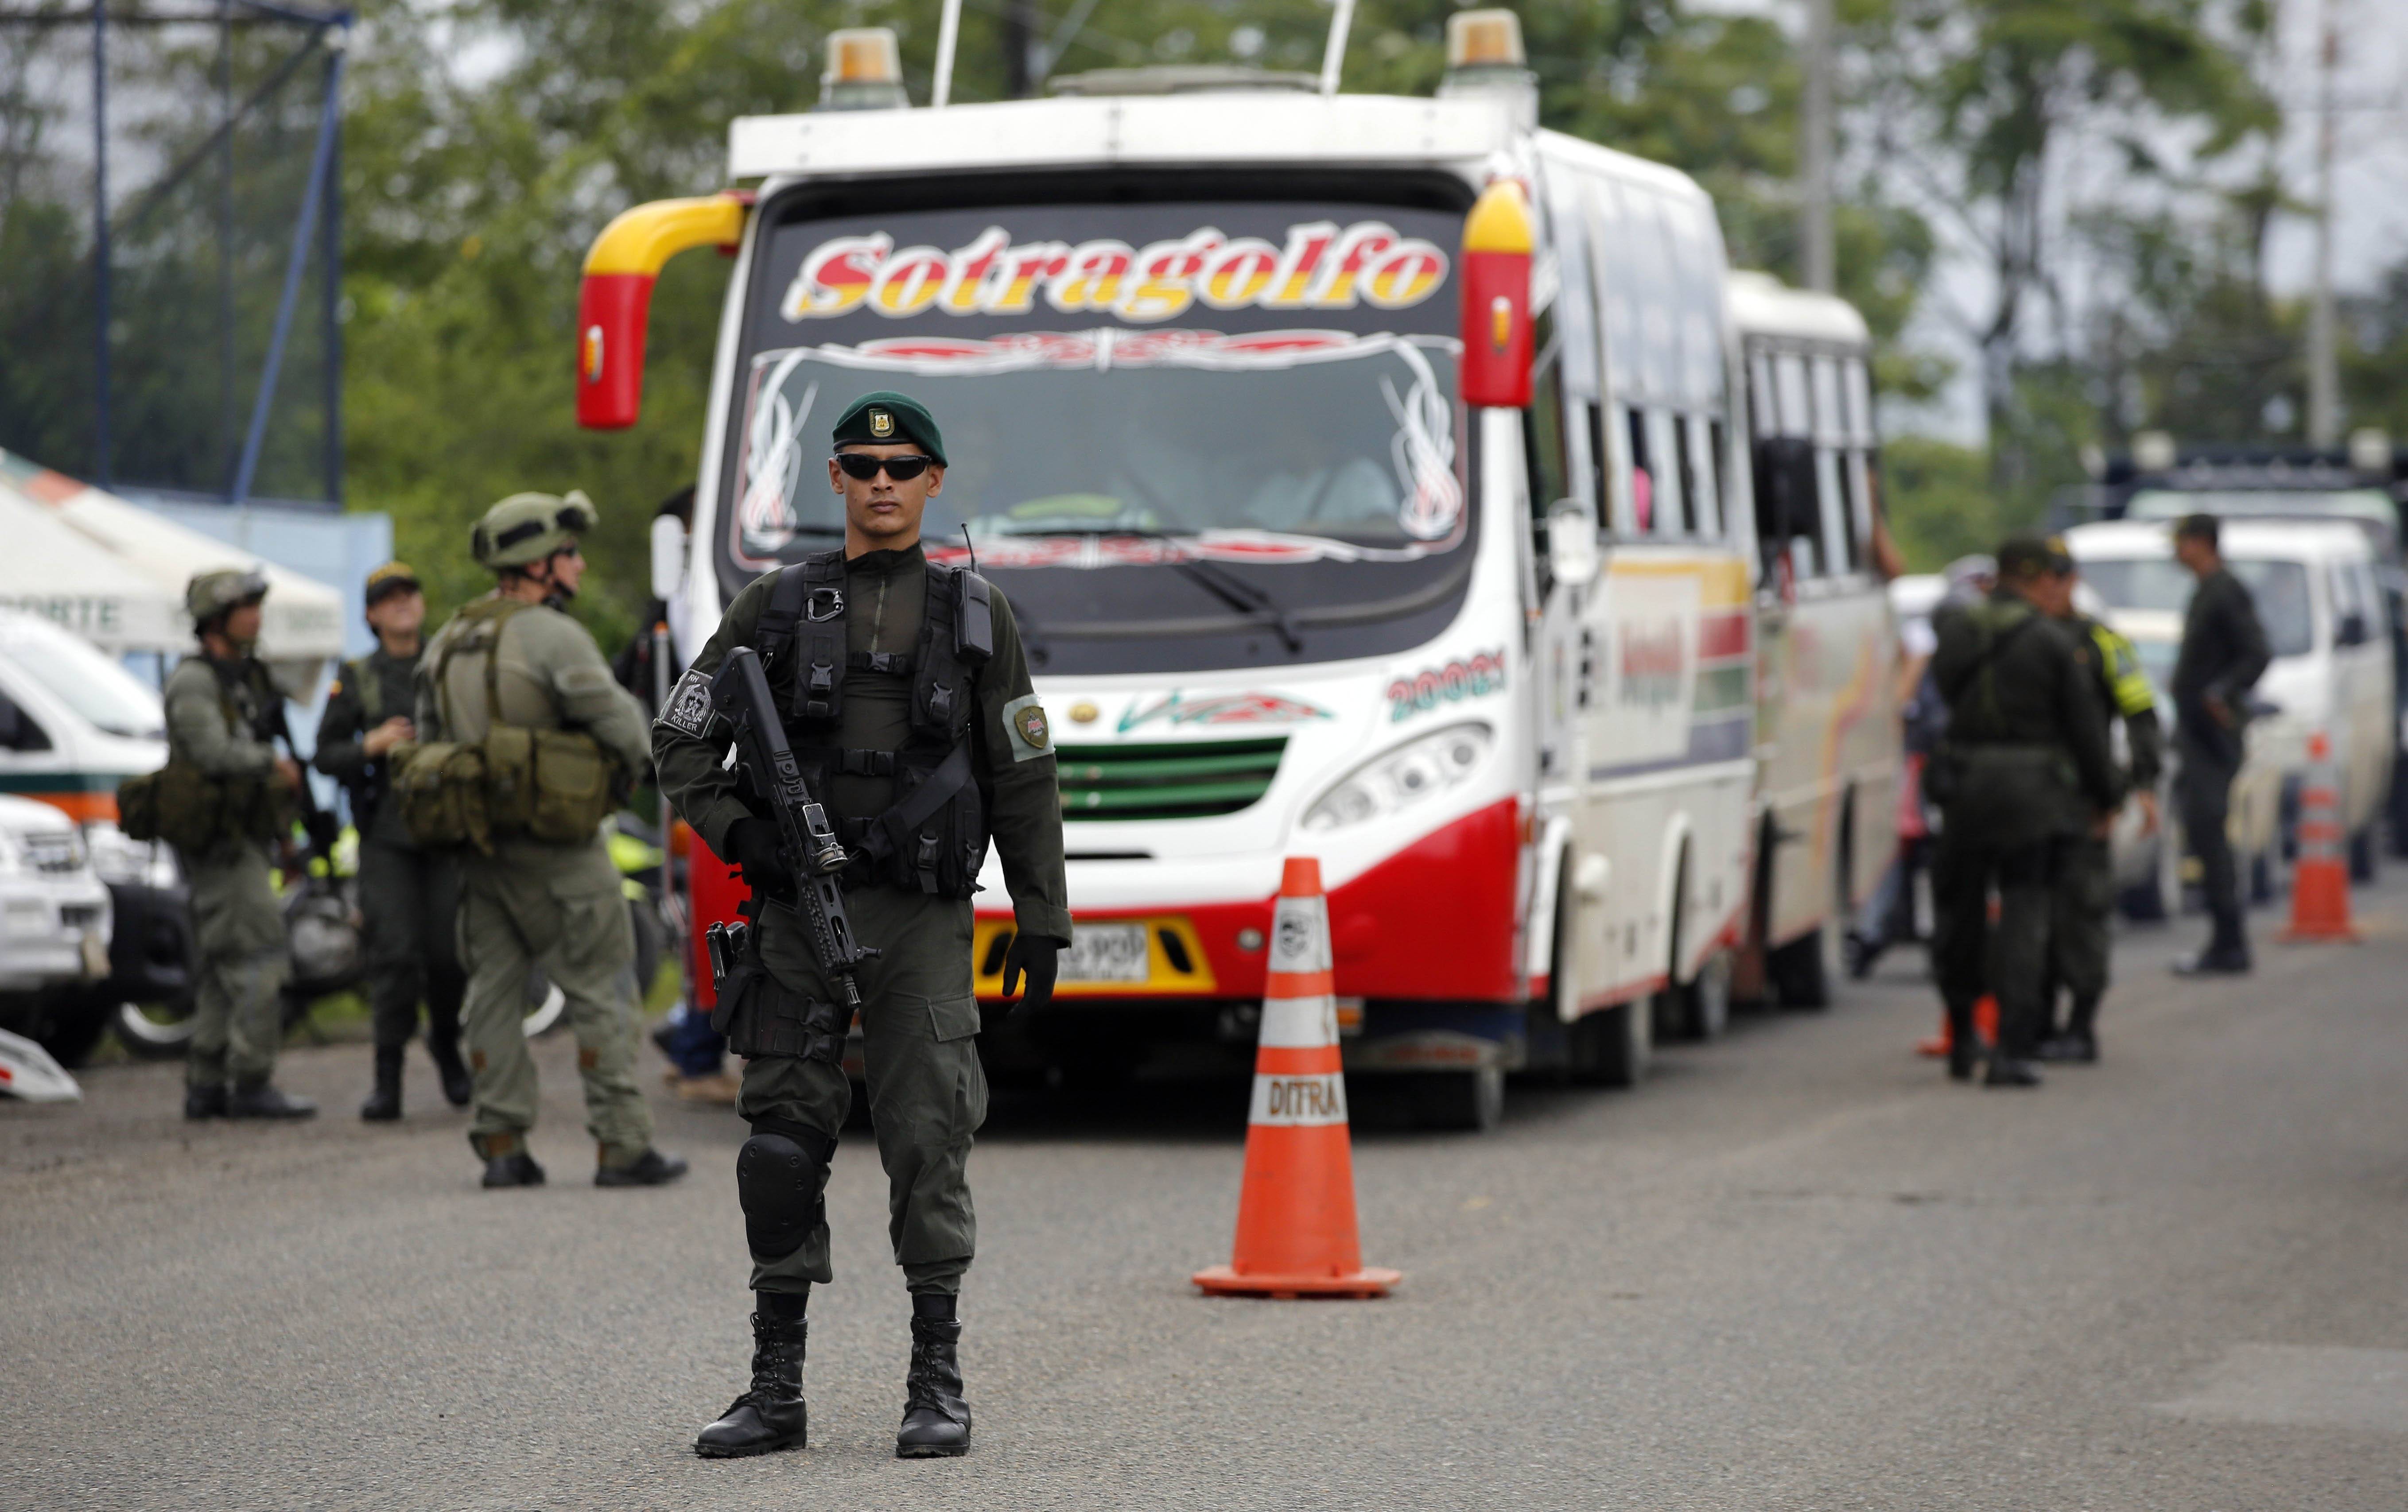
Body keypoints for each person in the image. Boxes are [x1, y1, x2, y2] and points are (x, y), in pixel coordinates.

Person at [654, 391, 1069, 1461]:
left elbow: (1023, 769)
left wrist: (1041, 913)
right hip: (794, 912)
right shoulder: (774, 608)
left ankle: (937, 1379)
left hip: (922, 918)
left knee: (928, 1137)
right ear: (834, 478)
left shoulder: (978, 613)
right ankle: (773, 1385)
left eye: (902, 466)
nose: (881, 481)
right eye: (860, 464)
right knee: (781, 1143)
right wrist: (741, 836)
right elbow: (682, 741)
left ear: (933, 482)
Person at [416, 491, 687, 1190]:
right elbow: (625, 729)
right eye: (569, 553)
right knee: (603, 986)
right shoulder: (553, 637)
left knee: (495, 994)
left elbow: (428, 740)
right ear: (537, 564)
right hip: (561, 847)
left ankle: (502, 1145)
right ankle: (623, 1144)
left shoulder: (449, 639)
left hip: (479, 849)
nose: (580, 563)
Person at [1926, 537, 2121, 1088]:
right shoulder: (2051, 642)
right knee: (2024, 919)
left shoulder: (1957, 631)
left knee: (1958, 915)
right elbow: (2086, 731)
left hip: (1964, 788)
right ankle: (2012, 1048)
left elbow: (1940, 695)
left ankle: (1962, 1035)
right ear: (2037, 579)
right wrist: (2105, 796)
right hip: (2034, 797)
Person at [315, 562, 471, 1120]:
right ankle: (389, 1080)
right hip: (388, 839)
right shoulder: (357, 677)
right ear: (373, 615)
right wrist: (370, 745)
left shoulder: (448, 663)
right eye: (391, 598)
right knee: (395, 956)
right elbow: (325, 756)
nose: (404, 603)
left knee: (450, 957)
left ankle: (448, 1046)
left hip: (446, 835)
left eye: (411, 593)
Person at [168, 569, 315, 1120]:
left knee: (222, 963)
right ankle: (250, 1080)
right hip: (219, 844)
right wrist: (270, 765)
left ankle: (207, 1083)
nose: (257, 617)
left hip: (245, 836)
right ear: (216, 618)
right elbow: (211, 753)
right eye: (246, 608)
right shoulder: (195, 682)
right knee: (258, 955)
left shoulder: (245, 678)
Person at [2036, 542, 2162, 1062]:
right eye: (2039, 579)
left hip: (2085, 799)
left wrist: (2142, 784)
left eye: (2057, 578)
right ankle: (2035, 1025)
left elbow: (2141, 712)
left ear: (2071, 581)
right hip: (2028, 800)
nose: (2048, 589)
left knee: (2083, 912)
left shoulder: (2103, 643)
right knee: (2031, 917)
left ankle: (2081, 1027)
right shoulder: (2016, 640)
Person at [1849, 554, 1994, 977]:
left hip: (1963, 769)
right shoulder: (1925, 644)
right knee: (1904, 851)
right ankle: (1873, 934)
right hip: (1924, 765)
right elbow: (1900, 705)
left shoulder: (1994, 646)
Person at [2168, 513, 2269, 975]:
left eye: (2181, 542)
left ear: (2200, 543)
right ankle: (2225, 941)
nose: (2175, 550)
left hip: (2213, 732)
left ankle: (2230, 943)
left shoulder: (2225, 590)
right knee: (2201, 829)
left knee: (2209, 828)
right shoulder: (2207, 589)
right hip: (2195, 731)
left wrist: (2221, 692)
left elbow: (2257, 650)